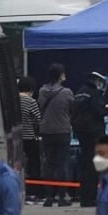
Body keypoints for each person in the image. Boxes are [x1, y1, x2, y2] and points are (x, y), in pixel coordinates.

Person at [39, 63, 75, 207]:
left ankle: (49, 196)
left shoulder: (42, 91)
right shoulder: (67, 92)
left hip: (46, 130)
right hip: (62, 131)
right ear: (61, 75)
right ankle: (62, 196)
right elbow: (72, 109)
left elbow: (40, 107)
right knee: (62, 163)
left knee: (49, 163)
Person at [72, 71, 108, 208]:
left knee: (84, 165)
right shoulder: (94, 94)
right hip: (93, 133)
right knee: (94, 167)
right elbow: (99, 111)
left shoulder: (79, 93)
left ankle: (84, 197)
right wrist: (107, 109)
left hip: (81, 133)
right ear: (97, 81)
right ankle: (91, 198)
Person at [18, 77, 42, 203]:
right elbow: (38, 119)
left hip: (17, 137)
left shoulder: (13, 100)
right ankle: (33, 191)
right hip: (30, 137)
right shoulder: (30, 101)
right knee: (33, 164)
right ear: (31, 89)